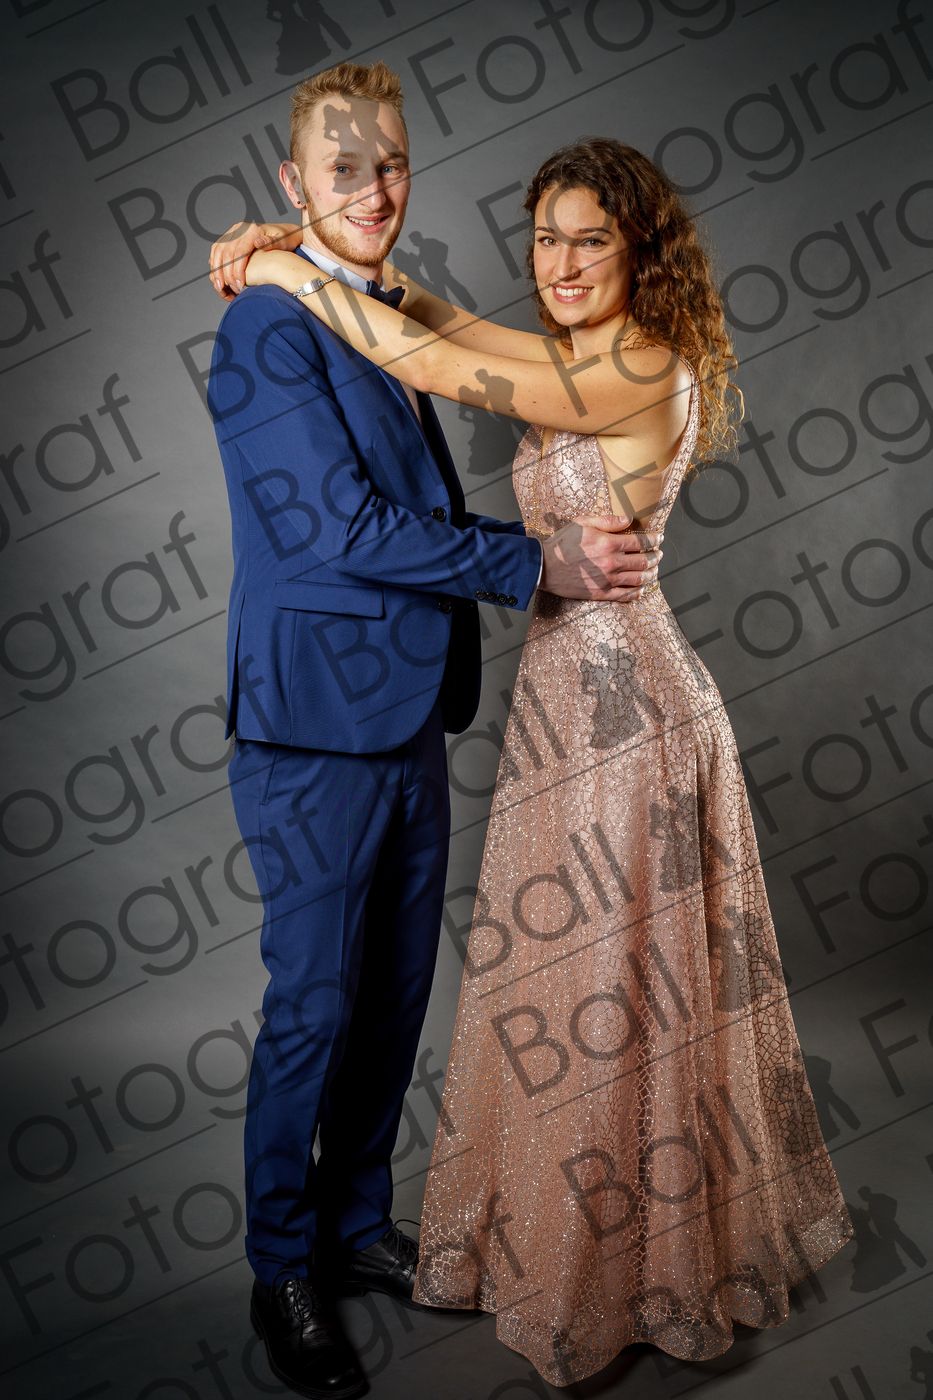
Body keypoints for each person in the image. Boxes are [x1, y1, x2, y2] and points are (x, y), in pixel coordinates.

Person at [222, 132, 856, 1387]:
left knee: (619, 997)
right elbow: (448, 321)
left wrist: (291, 268)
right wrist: (307, 250)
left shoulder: (638, 365)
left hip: (627, 714)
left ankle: (626, 1273)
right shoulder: (581, 350)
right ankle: (563, 1246)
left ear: (640, 250)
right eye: (546, 236)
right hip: (567, 702)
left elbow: (431, 359)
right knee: (578, 991)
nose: (560, 262)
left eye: (590, 240)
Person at [206, 64, 660, 1400]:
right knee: (316, 1003)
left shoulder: (369, 306)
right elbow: (338, 526)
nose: (375, 190)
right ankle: (282, 1267)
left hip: (406, 711)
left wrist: (289, 254)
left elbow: (431, 382)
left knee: (398, 992)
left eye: (392, 164)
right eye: (344, 169)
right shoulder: (268, 330)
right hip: (311, 726)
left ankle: (353, 1224)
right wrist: (534, 562)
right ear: (295, 184)